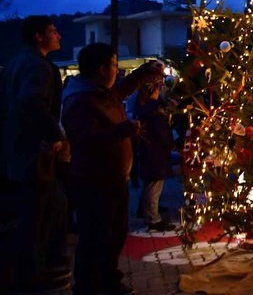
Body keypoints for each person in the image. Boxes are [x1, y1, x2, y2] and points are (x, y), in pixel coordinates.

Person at [62, 43, 164, 295]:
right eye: (114, 66)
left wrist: (144, 72)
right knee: (96, 236)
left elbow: (121, 90)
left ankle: (109, 279)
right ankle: (88, 286)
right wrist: (123, 130)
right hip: (94, 181)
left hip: (115, 179)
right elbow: (84, 138)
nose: (117, 72)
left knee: (115, 233)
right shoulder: (81, 100)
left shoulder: (100, 93)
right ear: (100, 69)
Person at [0, 16, 71, 291]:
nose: (59, 36)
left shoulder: (17, 63)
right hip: (33, 156)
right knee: (41, 213)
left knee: (46, 208)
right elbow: (30, 102)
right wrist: (53, 134)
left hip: (18, 153)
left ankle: (36, 270)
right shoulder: (37, 67)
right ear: (39, 36)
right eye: (53, 31)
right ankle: (34, 274)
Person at [132, 79, 175, 232]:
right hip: (155, 154)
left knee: (150, 185)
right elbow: (161, 133)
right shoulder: (153, 112)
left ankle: (148, 212)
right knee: (154, 186)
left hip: (149, 152)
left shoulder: (144, 108)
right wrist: (170, 144)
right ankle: (153, 218)